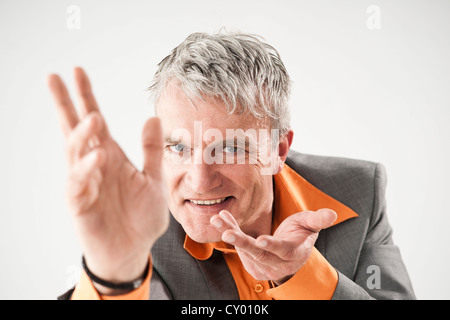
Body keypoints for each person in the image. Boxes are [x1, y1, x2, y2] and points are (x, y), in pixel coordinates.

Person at [49, 31, 415, 300]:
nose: (199, 180)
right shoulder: (143, 227)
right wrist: (114, 276)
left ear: (278, 148)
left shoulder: (359, 192)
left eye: (229, 149)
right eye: (178, 147)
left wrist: (303, 277)